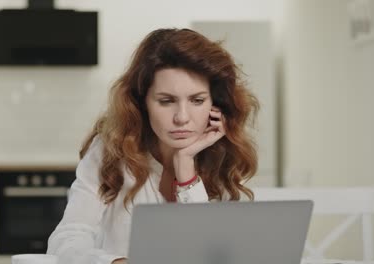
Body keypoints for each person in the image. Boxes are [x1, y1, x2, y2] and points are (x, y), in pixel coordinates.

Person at [47, 28, 259, 264]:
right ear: (142, 102)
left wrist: (186, 167)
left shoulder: (221, 155)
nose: (181, 117)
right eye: (166, 101)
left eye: (197, 100)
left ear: (215, 104)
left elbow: (212, 254)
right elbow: (66, 239)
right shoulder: (111, 150)